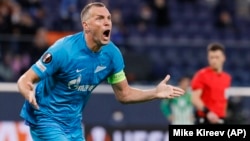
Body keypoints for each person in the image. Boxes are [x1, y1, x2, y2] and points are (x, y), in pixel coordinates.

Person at [17, 2, 185, 141]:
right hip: (45, 117)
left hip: (73, 123)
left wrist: (155, 92)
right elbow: (25, 80)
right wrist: (28, 91)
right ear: (86, 26)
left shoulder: (112, 55)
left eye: (109, 18)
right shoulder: (63, 50)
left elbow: (124, 95)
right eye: (100, 18)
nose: (107, 22)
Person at [191, 42, 232, 124]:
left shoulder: (227, 78)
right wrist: (208, 112)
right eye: (211, 57)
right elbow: (195, 99)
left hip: (220, 119)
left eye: (217, 57)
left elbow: (224, 99)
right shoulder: (201, 75)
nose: (214, 60)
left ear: (223, 58)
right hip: (205, 119)